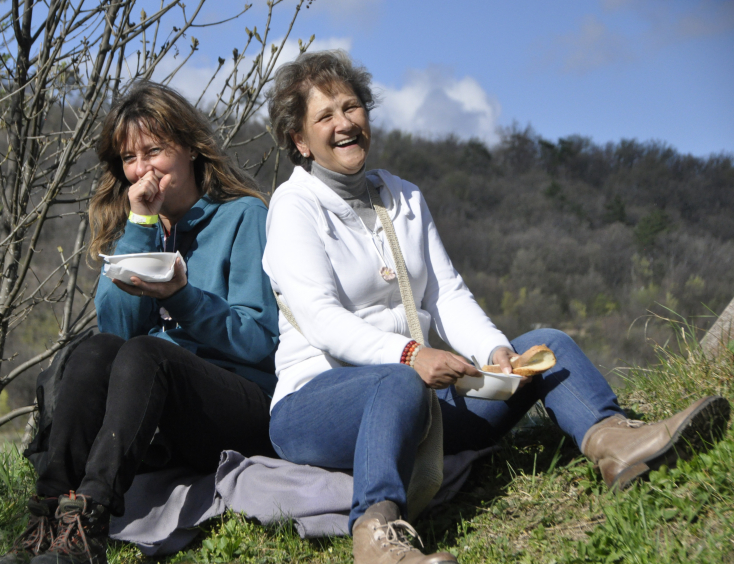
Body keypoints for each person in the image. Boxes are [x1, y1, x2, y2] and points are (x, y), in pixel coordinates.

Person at [263, 50, 730, 564]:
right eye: (325, 116)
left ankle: (615, 444)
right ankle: (377, 535)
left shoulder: (403, 197)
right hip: (315, 404)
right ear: (300, 141)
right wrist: (411, 355)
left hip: (415, 396)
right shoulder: (294, 207)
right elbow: (323, 321)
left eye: (352, 108)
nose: (345, 123)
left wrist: (496, 350)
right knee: (396, 379)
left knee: (547, 344)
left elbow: (447, 294)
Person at [0, 82, 279, 564]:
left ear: (189, 147)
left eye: (154, 150)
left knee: (148, 353)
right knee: (91, 350)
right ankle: (47, 520)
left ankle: (90, 525)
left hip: (239, 402)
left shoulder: (244, 217)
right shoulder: (140, 226)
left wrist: (183, 298)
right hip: (163, 404)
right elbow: (118, 332)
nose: (141, 168)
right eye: (130, 158)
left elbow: (258, 340)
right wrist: (141, 225)